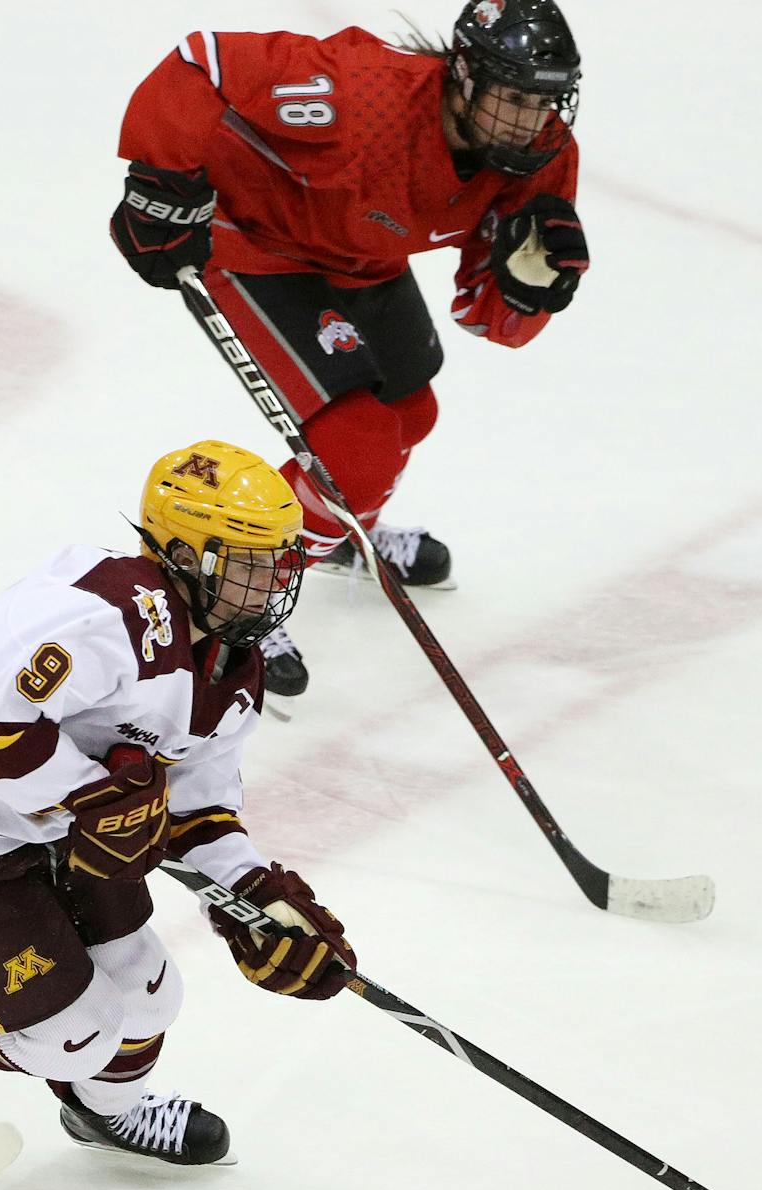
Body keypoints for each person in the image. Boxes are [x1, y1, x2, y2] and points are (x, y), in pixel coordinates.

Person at [0, 442, 357, 1165]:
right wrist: (92, 798)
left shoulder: (234, 665)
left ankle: (106, 1115)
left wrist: (255, 895)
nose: (271, 586)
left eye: (278, 564)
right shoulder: (103, 611)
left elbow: (196, 804)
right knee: (68, 1036)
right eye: (248, 565)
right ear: (184, 555)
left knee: (149, 996)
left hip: (42, 824)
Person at [109, 0, 590, 697]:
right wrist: (160, 183)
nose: (527, 121)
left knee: (411, 413)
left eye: (543, 102)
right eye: (512, 97)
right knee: (356, 447)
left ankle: (340, 536)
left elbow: (486, 320)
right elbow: (203, 62)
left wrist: (527, 290)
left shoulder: (541, 157)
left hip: (360, 256)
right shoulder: (359, 93)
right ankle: (237, 594)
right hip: (254, 241)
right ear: (462, 75)